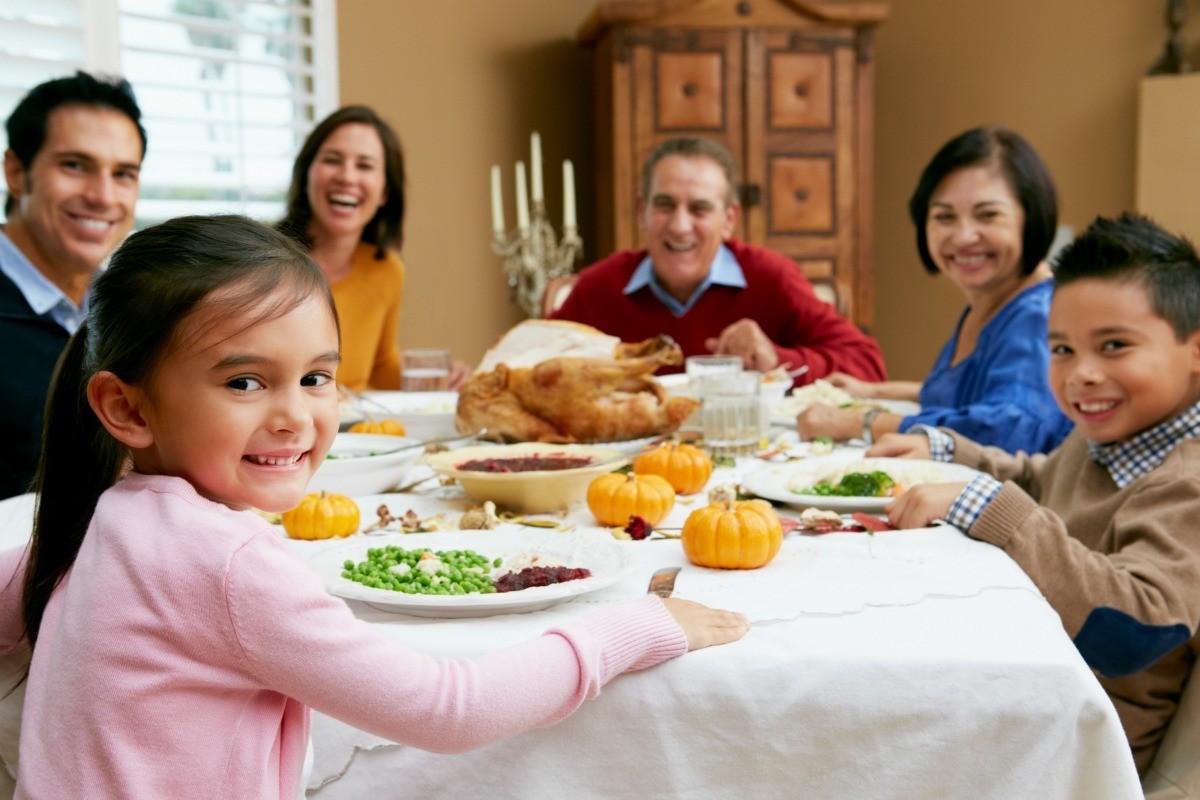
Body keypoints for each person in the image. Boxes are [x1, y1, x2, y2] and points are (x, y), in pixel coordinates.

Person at [0, 214, 748, 798]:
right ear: (126, 410)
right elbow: (448, 708)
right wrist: (634, 629)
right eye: (245, 383)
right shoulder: (226, 564)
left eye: (318, 377)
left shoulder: (101, 521)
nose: (295, 416)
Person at [875, 214, 1200, 776]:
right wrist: (955, 456)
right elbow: (1045, 478)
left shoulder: (1184, 483)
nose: (1082, 375)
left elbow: (1136, 630)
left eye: (1114, 346)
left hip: (1077, 748)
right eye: (1063, 349)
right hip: (1030, 676)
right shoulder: (1112, 435)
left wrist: (992, 506)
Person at [796, 127, 1074, 454]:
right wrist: (872, 391)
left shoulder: (1039, 314)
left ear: (1031, 217)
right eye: (944, 217)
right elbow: (968, 396)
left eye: (987, 215)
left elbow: (1012, 429)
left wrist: (862, 422)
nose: (964, 236)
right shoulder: (990, 303)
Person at [549, 136, 886, 383]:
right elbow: (526, 364)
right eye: (665, 205)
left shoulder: (772, 277)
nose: (680, 226)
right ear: (642, 212)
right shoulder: (600, 286)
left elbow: (868, 365)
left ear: (729, 220)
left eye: (700, 209)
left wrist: (775, 358)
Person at [0, 71, 145, 499]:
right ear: (16, 172)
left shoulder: (134, 308)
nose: (103, 196)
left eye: (123, 174)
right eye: (75, 165)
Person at [277, 105, 468, 393]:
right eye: (332, 160)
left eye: (364, 165)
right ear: (307, 175)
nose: (347, 177)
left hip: (354, 433)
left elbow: (380, 366)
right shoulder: (261, 262)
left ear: (385, 193)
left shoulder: (386, 271)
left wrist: (440, 375)